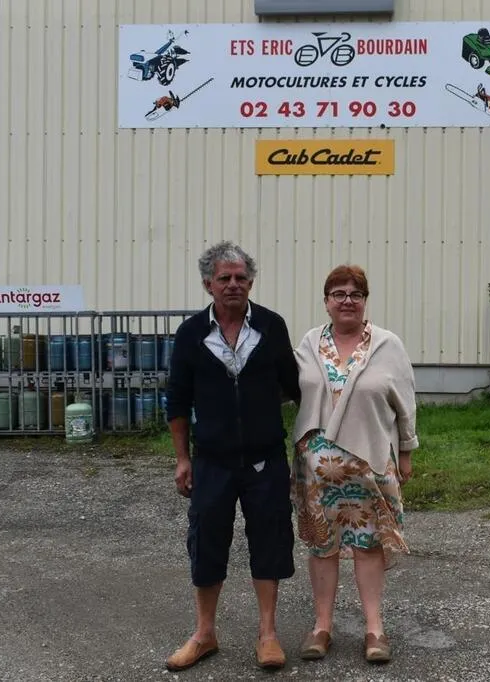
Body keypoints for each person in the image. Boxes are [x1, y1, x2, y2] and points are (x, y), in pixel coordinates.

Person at [164, 241, 301, 672]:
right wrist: (182, 458)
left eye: (241, 277)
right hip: (212, 461)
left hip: (265, 460)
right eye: (224, 278)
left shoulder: (272, 326)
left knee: (270, 541)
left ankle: (268, 634)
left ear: (251, 283)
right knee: (206, 543)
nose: (233, 284)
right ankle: (204, 634)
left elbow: (296, 387)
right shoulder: (191, 333)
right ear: (208, 285)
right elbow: (177, 400)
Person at [290, 264, 419, 664]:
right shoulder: (309, 343)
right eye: (339, 294)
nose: (347, 301)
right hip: (316, 469)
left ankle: (374, 630)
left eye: (355, 294)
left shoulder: (387, 345)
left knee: (368, 544)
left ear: (365, 301)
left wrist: (406, 451)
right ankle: (321, 627)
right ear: (326, 301)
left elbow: (406, 402)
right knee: (322, 545)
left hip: (371, 464)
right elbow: (288, 389)